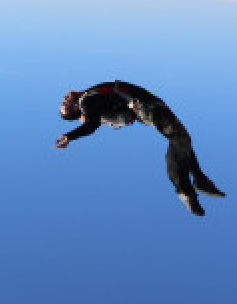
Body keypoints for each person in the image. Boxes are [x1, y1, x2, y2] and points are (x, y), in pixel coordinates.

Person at [56, 80, 225, 216]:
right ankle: (186, 190)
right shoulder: (86, 101)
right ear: (76, 109)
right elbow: (91, 125)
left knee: (182, 142)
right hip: (146, 107)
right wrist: (70, 136)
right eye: (66, 105)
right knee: (179, 140)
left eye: (63, 101)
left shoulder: (88, 96)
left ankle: (199, 180)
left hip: (148, 106)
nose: (65, 99)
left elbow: (93, 120)